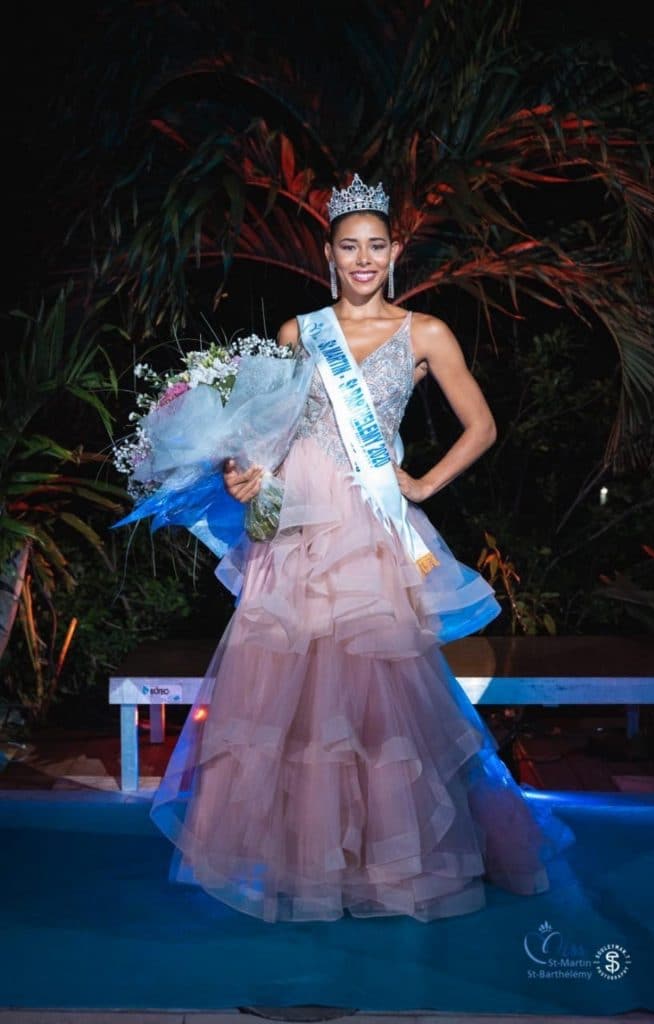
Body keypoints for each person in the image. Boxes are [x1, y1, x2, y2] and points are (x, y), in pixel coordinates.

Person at [150, 174, 571, 923]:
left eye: (376, 246)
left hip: (369, 525)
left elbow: (480, 425)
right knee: (295, 696)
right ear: (328, 253)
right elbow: (263, 437)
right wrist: (242, 474)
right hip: (296, 527)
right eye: (350, 247)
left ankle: (390, 864)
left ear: (395, 251)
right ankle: (309, 865)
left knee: (381, 699)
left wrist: (421, 486)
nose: (363, 259)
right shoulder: (297, 332)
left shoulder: (424, 332)